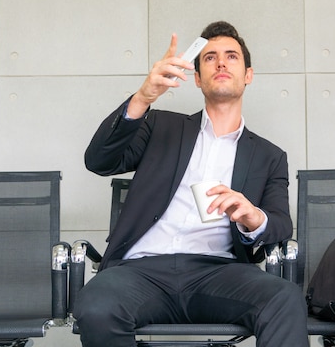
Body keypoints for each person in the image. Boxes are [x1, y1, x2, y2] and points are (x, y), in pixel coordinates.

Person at [74, 21, 309, 347]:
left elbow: (281, 224)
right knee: (97, 306)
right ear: (197, 78)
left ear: (248, 75)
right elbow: (98, 160)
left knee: (285, 298)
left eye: (232, 56)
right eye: (210, 58)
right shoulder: (159, 126)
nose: (222, 63)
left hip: (219, 273)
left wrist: (253, 217)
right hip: (141, 272)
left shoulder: (269, 156)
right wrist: (142, 98)